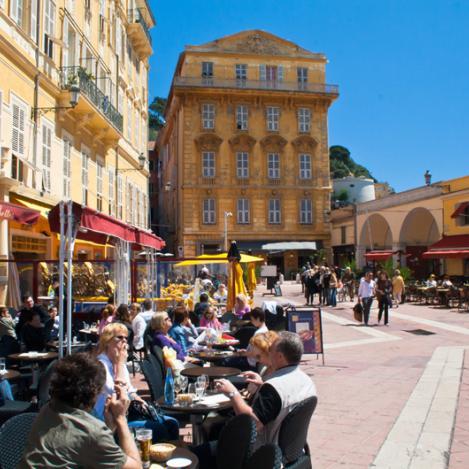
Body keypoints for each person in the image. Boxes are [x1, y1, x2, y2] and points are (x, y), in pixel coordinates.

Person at [19, 352, 142, 469]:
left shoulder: (48, 409)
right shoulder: (92, 431)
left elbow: (87, 447)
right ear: (95, 392)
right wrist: (121, 418)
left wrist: (110, 425)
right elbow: (136, 467)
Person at [215, 331, 317, 451]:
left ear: (280, 356)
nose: (269, 353)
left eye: (271, 350)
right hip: (293, 450)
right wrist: (261, 386)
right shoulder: (307, 381)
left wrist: (233, 393)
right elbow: (280, 402)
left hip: (263, 453)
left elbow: (252, 423)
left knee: (201, 452)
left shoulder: (273, 387)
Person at [94, 323, 179, 441]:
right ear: (107, 341)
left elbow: (129, 389)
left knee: (172, 423)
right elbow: (117, 393)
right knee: (159, 429)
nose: (124, 341)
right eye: (119, 337)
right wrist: (119, 364)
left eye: (126, 338)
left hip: (127, 413)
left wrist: (138, 399)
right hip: (110, 422)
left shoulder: (119, 361)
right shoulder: (100, 365)